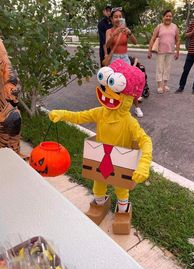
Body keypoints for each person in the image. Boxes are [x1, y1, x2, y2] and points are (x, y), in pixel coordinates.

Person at [49, 59, 152, 235]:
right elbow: (80, 116)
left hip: (121, 164)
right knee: (98, 186)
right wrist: (63, 114)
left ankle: (123, 210)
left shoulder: (129, 122)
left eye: (113, 91)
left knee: (121, 190)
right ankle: (100, 202)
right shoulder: (100, 112)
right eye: (104, 88)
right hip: (100, 162)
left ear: (127, 98)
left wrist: (143, 163)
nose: (106, 93)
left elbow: (145, 141)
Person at [105, 7, 144, 118]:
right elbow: (107, 45)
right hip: (115, 60)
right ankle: (113, 107)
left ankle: (136, 107)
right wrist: (114, 34)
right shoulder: (109, 31)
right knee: (114, 84)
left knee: (130, 83)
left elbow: (135, 43)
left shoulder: (125, 30)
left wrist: (130, 33)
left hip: (125, 58)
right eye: (115, 17)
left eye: (120, 17)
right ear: (111, 19)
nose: (118, 19)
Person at [148, 9, 180, 94]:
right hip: (160, 51)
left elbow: (177, 40)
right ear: (163, 17)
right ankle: (159, 86)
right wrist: (149, 50)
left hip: (170, 51)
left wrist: (177, 51)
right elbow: (153, 38)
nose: (168, 18)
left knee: (167, 68)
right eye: (167, 16)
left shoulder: (174, 27)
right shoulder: (159, 26)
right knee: (160, 68)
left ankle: (165, 84)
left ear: (172, 17)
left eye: (170, 16)